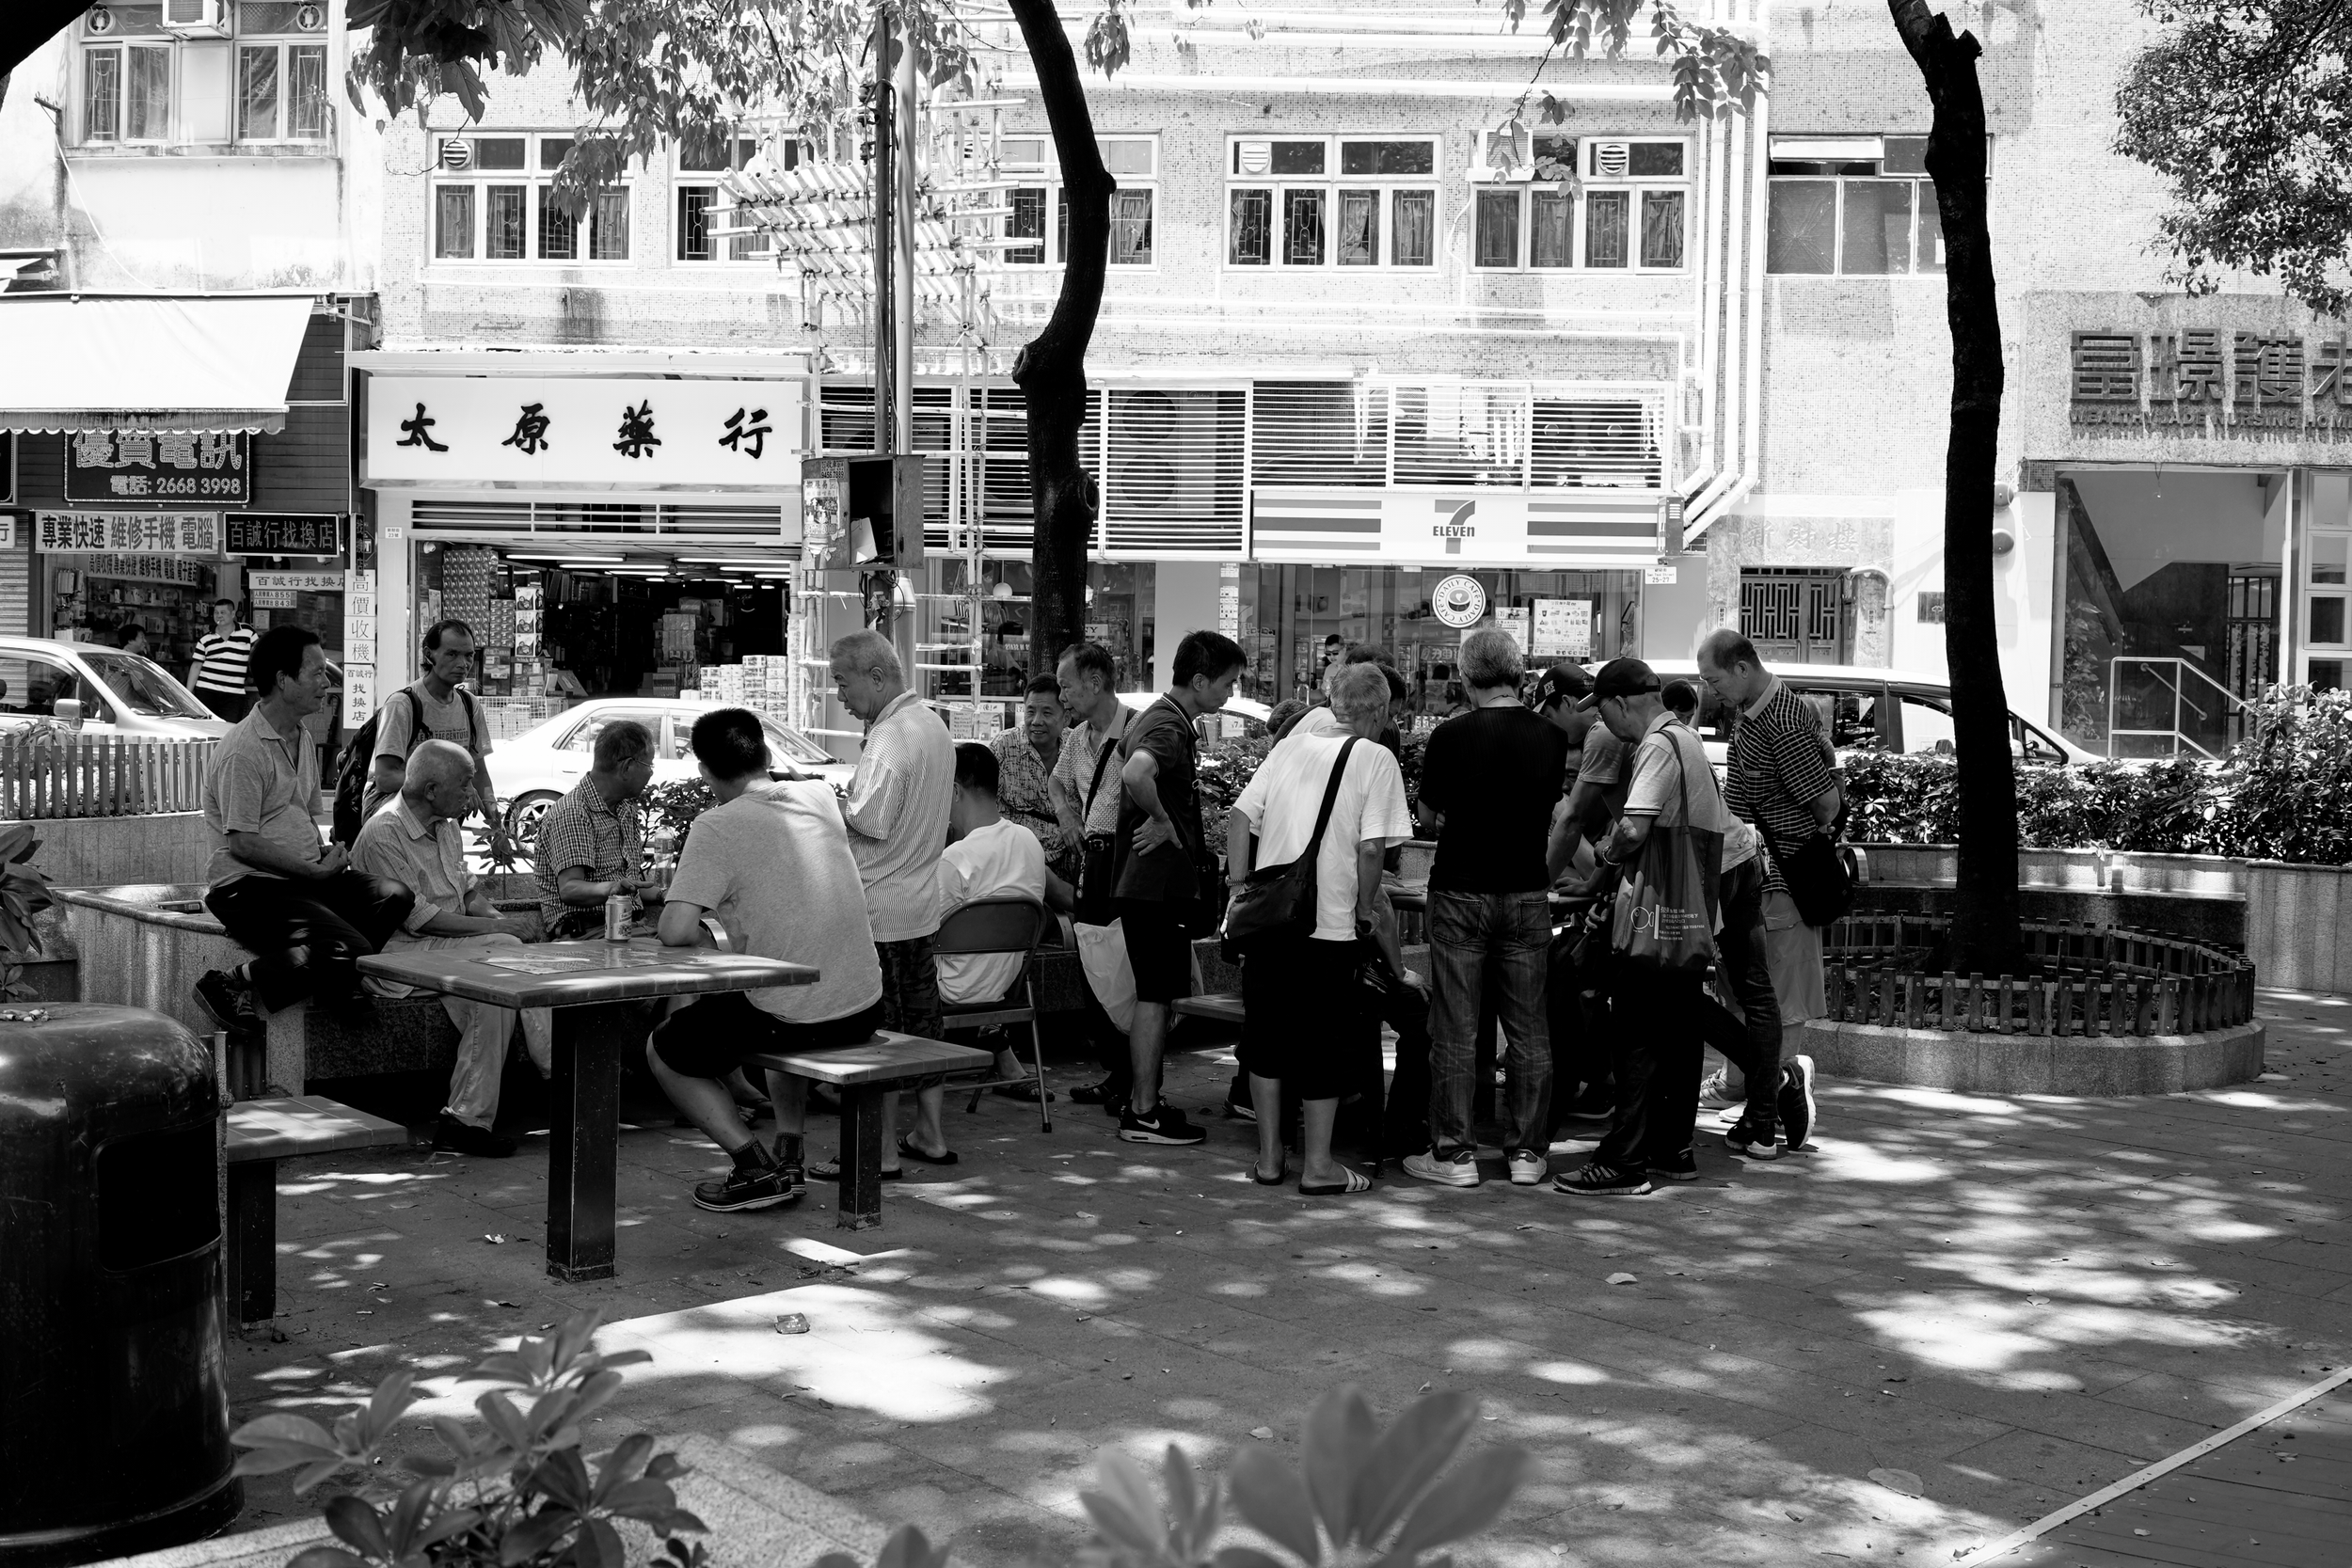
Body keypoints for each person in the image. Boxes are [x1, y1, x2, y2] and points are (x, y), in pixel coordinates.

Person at [644, 708, 887, 1213]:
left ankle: (754, 1167)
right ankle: (789, 1153)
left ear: (705, 773)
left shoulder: (717, 826)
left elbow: (675, 931)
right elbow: (790, 779)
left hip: (795, 1016)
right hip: (865, 1005)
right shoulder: (820, 797)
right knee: (775, 997)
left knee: (664, 1051)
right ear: (766, 753)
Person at [1225, 662, 1414, 1196]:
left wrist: (1240, 891)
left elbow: (1241, 819)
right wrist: (1363, 910)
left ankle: (1268, 1161)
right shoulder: (1375, 758)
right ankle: (1319, 1167)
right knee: (1324, 1043)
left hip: (1269, 923)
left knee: (1264, 1038)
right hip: (1328, 927)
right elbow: (1372, 848)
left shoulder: (1290, 746)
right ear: (1376, 711)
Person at [1555, 658, 1739, 1196]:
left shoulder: (1658, 744)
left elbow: (1634, 827)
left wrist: (1606, 856)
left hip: (1655, 920)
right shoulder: (1686, 739)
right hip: (1689, 916)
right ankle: (1671, 1150)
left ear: (1618, 703)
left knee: (1634, 1034)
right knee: (1680, 1036)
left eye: (1602, 711)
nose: (1603, 724)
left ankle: (1624, 1161)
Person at [1404, 627, 1568, 1190]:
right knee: (1529, 1028)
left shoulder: (1450, 736)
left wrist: (1452, 816)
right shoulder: (1550, 737)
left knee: (1454, 1026)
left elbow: (1426, 817)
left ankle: (1454, 1156)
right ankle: (1526, 1153)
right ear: (1517, 673)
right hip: (1526, 892)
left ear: (1467, 677)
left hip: (1460, 891)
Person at [193, 626, 414, 1040]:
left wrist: (331, 852)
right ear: (282, 679)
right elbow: (241, 842)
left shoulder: (303, 736)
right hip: (250, 887)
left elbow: (306, 817)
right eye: (316, 673)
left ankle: (333, 980)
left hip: (304, 878)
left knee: (394, 896)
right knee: (350, 946)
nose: (327, 683)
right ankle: (232, 979)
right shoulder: (243, 749)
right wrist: (314, 873)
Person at [352, 740, 551, 1158]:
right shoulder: (385, 832)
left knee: (493, 996)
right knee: (509, 951)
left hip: (452, 950)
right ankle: (560, 1070)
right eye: (464, 786)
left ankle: (464, 1121)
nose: (472, 795)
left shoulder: (447, 826)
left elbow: (468, 895)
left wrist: (500, 921)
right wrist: (502, 931)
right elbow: (419, 918)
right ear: (430, 789)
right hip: (401, 954)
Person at [826, 628, 958, 1172]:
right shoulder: (932, 724)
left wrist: (826, 804)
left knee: (875, 1035)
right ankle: (930, 1134)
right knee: (922, 1028)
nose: (839, 695)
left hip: (881, 909)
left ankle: (878, 1154)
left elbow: (871, 820)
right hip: (920, 901)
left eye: (842, 682)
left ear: (876, 677)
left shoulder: (890, 735)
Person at [1111, 627, 1248, 1146]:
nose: (1230, 694)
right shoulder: (1167, 724)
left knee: (1159, 993)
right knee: (1157, 996)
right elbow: (1137, 773)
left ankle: (1144, 1103)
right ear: (1199, 679)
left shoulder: (1162, 718)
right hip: (1153, 887)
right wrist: (1165, 822)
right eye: (1228, 684)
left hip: (1150, 886)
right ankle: (1143, 1111)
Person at [1696, 628, 1828, 1148]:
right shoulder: (1752, 712)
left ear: (1743, 667)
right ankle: (1754, 1089)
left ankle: (1780, 1087)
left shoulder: (1784, 717)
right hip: (1754, 872)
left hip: (1784, 876)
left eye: (1714, 679)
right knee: (1746, 990)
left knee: (1779, 996)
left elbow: (1824, 805)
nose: (1711, 692)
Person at [939, 742, 1074, 1096]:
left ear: (953, 791)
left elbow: (921, 932)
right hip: (1006, 988)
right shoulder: (1028, 841)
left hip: (949, 991)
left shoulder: (955, 860)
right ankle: (1001, 1056)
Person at [1049, 640, 1138, 1112]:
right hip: (1092, 863)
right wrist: (1065, 815)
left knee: (1125, 971)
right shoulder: (1077, 737)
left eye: (1066, 686)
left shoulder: (1136, 730)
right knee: (1092, 967)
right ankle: (1114, 1070)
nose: (1062, 696)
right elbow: (1057, 782)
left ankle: (1136, 1080)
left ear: (1096, 682)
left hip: (1126, 865)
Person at [365, 619, 514, 865]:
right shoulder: (403, 705)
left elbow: (480, 774)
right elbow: (385, 778)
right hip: (399, 829)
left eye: (469, 655)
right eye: (452, 654)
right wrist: (449, 787)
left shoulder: (469, 705)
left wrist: (498, 830)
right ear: (429, 655)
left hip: (444, 825)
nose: (463, 664)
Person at [533, 719, 657, 940]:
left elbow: (632, 884)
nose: (651, 774)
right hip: (589, 933)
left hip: (631, 928)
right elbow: (570, 889)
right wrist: (613, 888)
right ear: (627, 767)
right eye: (649, 766)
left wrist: (671, 895)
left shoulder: (624, 808)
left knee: (696, 939)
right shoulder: (574, 812)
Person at [989, 675, 1078, 885]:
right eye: (1030, 711)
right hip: (1017, 863)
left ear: (1066, 718)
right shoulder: (1004, 747)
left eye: (1047, 713)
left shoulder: (1077, 746)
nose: (1036, 721)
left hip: (1072, 861)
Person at [188, 599, 257, 722]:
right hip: (206, 691)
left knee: (229, 731)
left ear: (233, 614)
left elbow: (258, 654)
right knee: (205, 728)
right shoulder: (206, 638)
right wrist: (187, 694)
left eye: (223, 612)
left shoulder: (248, 632)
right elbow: (196, 666)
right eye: (216, 612)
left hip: (234, 693)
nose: (219, 615)